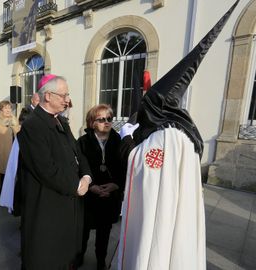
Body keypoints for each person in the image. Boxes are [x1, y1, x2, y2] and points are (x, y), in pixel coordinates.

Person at [117, 3, 238, 269]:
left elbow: (143, 168)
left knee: (158, 249)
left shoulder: (167, 136)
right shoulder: (184, 131)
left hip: (162, 215)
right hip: (175, 213)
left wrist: (127, 138)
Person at [18, 74, 92, 269]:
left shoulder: (61, 121)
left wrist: (86, 175)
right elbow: (46, 169)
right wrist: (75, 186)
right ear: (48, 96)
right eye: (64, 95)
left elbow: (78, 152)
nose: (67, 100)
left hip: (68, 200)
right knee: (46, 257)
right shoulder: (32, 126)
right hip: (47, 205)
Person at [75, 105, 124, 270]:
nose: (107, 122)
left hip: (110, 196)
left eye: (109, 118)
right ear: (92, 122)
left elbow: (126, 168)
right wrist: (91, 187)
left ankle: (101, 260)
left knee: (105, 232)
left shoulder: (120, 142)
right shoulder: (82, 142)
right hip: (88, 196)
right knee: (83, 231)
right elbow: (77, 168)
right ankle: (79, 255)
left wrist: (116, 185)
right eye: (101, 119)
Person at [0, 100, 20, 198]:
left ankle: (11, 197)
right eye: (5, 108)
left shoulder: (14, 119)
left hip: (14, 153)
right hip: (2, 155)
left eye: (9, 108)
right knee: (2, 177)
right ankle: (2, 198)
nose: (8, 110)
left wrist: (15, 125)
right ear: (1, 109)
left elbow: (19, 134)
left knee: (12, 177)